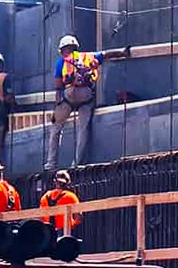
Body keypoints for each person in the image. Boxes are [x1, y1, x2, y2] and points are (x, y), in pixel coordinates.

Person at [44, 35, 129, 172]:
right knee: (83, 130)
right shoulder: (87, 56)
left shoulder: (62, 62)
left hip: (69, 95)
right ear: (76, 47)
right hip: (86, 96)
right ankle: (77, 164)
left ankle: (50, 164)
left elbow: (58, 85)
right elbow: (106, 54)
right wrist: (123, 53)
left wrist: (58, 104)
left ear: (62, 50)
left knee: (55, 128)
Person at [39, 169, 82, 233]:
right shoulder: (70, 196)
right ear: (67, 183)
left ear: (55, 181)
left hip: (47, 232)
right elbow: (78, 217)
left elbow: (40, 218)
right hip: (64, 230)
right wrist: (72, 224)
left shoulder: (45, 197)